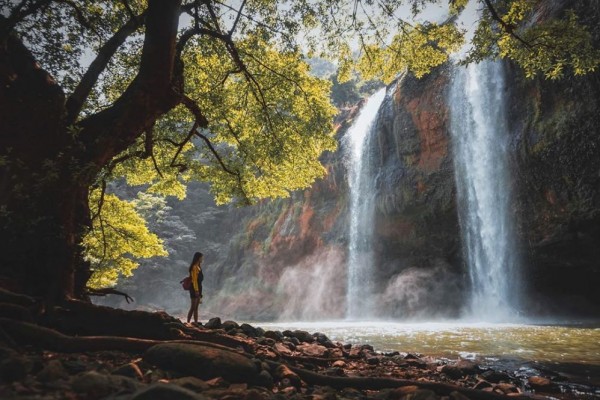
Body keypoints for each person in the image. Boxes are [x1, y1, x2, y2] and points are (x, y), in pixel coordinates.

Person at [186, 252, 204, 324]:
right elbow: (194, 280)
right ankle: (188, 323)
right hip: (194, 288)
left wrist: (199, 291)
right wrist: (196, 290)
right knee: (193, 307)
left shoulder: (198, 267)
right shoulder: (194, 267)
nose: (203, 259)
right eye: (202, 257)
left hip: (199, 288)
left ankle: (196, 323)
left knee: (196, 308)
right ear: (198, 258)